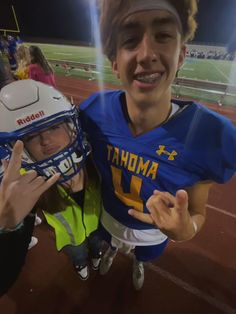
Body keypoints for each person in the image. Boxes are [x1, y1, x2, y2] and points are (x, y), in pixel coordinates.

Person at [78, 0, 236, 290]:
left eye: (163, 36)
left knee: (144, 256)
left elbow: (197, 210)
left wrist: (188, 230)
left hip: (152, 235)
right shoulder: (92, 112)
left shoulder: (213, 135)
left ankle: (139, 263)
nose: (147, 53)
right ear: (114, 63)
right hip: (109, 218)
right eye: (130, 39)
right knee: (110, 244)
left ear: (181, 55)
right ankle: (112, 252)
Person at [0, 79, 102, 295]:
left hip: (96, 226)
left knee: (96, 244)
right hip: (69, 236)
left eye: (54, 127)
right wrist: (7, 223)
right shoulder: (26, 184)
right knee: (76, 253)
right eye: (30, 136)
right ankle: (80, 263)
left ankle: (96, 255)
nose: (46, 140)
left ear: (71, 125)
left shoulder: (95, 161)